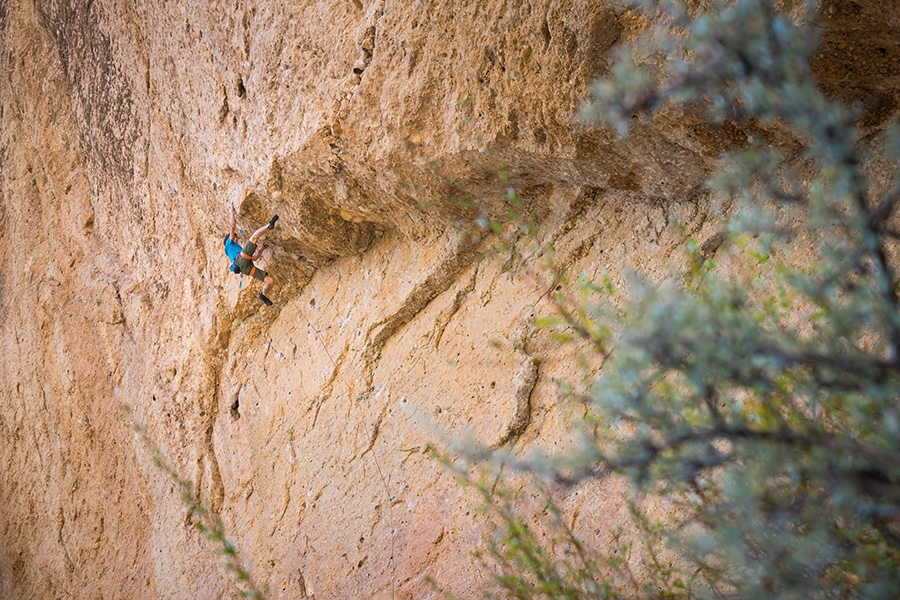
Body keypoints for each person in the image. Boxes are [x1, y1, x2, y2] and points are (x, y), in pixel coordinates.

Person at [224, 202, 279, 305]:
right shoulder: (228, 244)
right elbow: (232, 227)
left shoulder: (235, 250)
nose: (236, 238)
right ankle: (269, 225)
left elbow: (253, 258)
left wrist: (261, 249)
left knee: (270, 281)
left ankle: (263, 294)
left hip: (244, 268)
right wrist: (231, 212)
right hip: (241, 261)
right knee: (254, 237)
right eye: (235, 237)